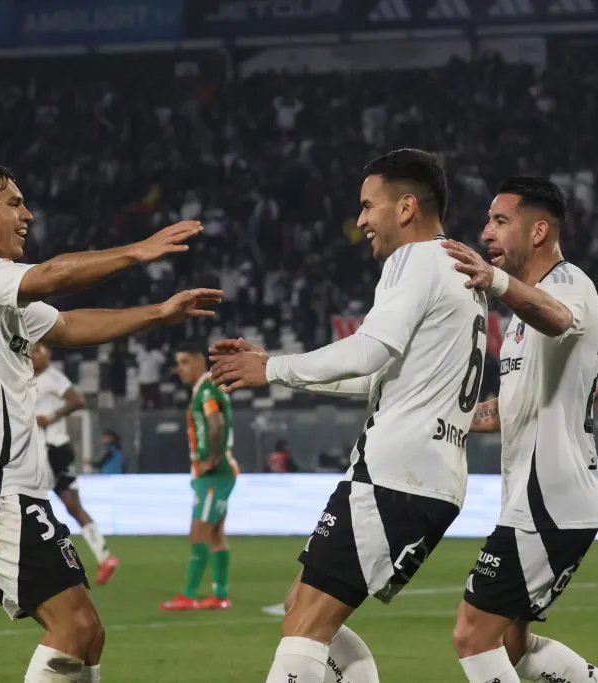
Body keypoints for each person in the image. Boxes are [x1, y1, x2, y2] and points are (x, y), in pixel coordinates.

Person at [0, 160, 221, 683]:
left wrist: (157, 313)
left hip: (12, 489)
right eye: (13, 203)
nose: (28, 214)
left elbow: (66, 325)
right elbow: (54, 276)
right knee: (72, 627)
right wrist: (136, 251)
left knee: (87, 632)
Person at [209, 148, 488, 683]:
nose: (360, 220)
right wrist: (274, 366)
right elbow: (373, 376)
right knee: (306, 611)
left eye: (367, 206)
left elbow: (367, 352)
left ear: (406, 207)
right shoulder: (458, 266)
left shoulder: (415, 259)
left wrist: (272, 372)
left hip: (395, 474)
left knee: (305, 628)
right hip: (429, 477)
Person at [444, 176, 598, 683]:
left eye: (500, 221)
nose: (486, 233)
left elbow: (562, 319)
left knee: (472, 634)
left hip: (549, 498)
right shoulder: (523, 312)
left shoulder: (566, 285)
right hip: (538, 497)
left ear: (539, 229)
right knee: (511, 643)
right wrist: (440, 415)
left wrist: (497, 283)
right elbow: (507, 409)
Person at [32, 342, 119, 586]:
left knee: (31, 506)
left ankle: (43, 564)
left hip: (48, 449)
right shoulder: (22, 378)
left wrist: (50, 417)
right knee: (72, 505)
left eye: (44, 350)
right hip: (52, 449)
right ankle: (104, 556)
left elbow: (76, 400)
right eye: (36, 349)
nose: (41, 354)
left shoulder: (52, 377)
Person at [160, 343, 238, 612]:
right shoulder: (206, 390)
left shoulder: (207, 391)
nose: (179, 369)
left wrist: (212, 460)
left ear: (198, 362)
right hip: (217, 474)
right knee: (216, 535)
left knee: (199, 533)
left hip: (215, 475)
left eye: (183, 362)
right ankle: (220, 594)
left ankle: (190, 594)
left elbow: (215, 423)